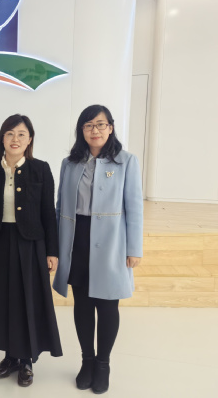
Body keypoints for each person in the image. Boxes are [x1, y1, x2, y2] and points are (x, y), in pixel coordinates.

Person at [53, 104, 143, 394]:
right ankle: (87, 361)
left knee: (107, 305)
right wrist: (55, 246)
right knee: (82, 303)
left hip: (112, 240)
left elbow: (135, 208)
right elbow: (59, 207)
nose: (95, 130)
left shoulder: (126, 161)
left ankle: (103, 364)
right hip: (77, 238)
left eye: (101, 124)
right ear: (82, 130)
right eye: (89, 125)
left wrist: (134, 248)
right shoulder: (70, 163)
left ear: (110, 128)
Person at [0, 114, 62, 387]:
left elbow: (49, 213)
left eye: (21, 134)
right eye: (10, 134)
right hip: (0, 241)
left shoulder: (41, 169)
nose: (15, 139)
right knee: (3, 299)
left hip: (31, 243)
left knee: (28, 300)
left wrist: (52, 251)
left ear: (29, 139)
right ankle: (10, 356)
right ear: (2, 138)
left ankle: (26, 360)